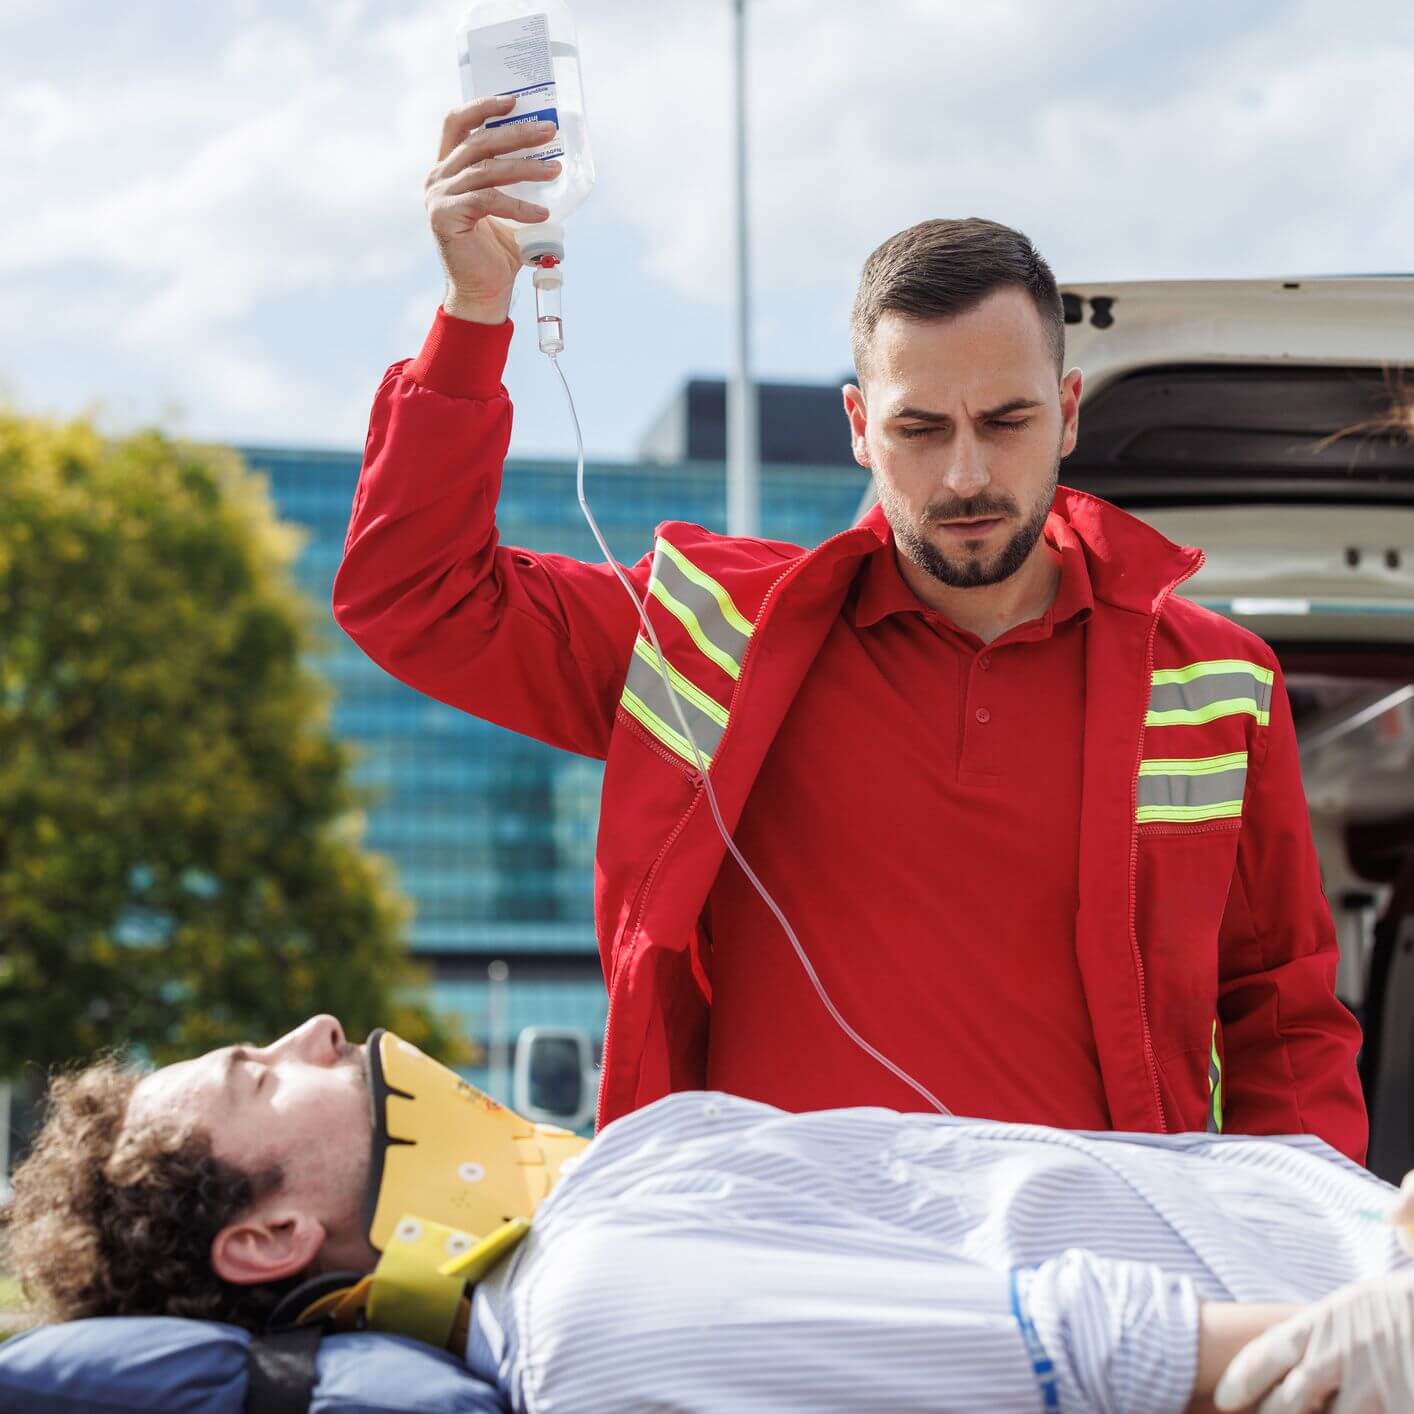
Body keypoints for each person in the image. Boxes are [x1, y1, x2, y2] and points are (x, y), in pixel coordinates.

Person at [330, 96, 1367, 1155]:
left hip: (1096, 1282)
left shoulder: (1216, 681)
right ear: (859, 428)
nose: (966, 474)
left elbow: (1280, 1015)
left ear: (1068, 410)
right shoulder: (714, 635)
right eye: (920, 427)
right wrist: (472, 309)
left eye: (1006, 421)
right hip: (787, 1279)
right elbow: (412, 593)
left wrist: (1308, 1246)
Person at [3, 1016, 1411, 1413]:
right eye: (265, 1071)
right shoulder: (591, 1310)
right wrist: (1377, 1331)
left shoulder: (589, 1211)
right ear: (264, 1241)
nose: (318, 1028)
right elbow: (1096, 1347)